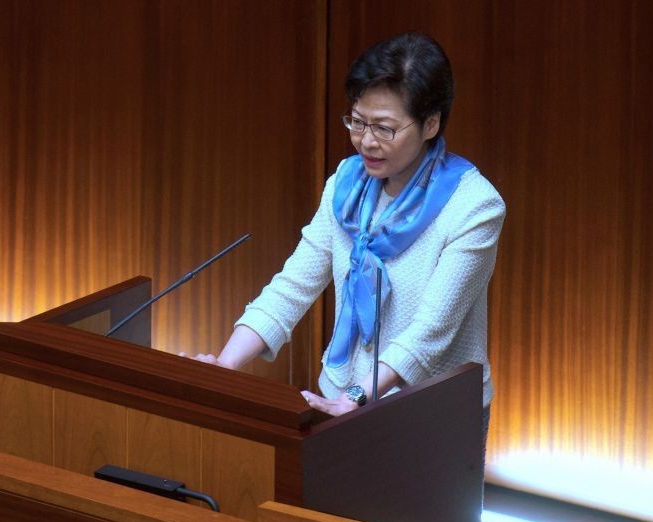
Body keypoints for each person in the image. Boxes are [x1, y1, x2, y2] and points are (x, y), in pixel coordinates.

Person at [183, 32, 504, 444]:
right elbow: (292, 287)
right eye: (357, 121)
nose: (366, 140)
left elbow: (430, 333)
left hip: (430, 414)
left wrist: (356, 397)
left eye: (385, 129)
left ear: (431, 123)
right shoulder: (346, 186)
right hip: (339, 400)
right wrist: (224, 367)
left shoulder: (473, 206)